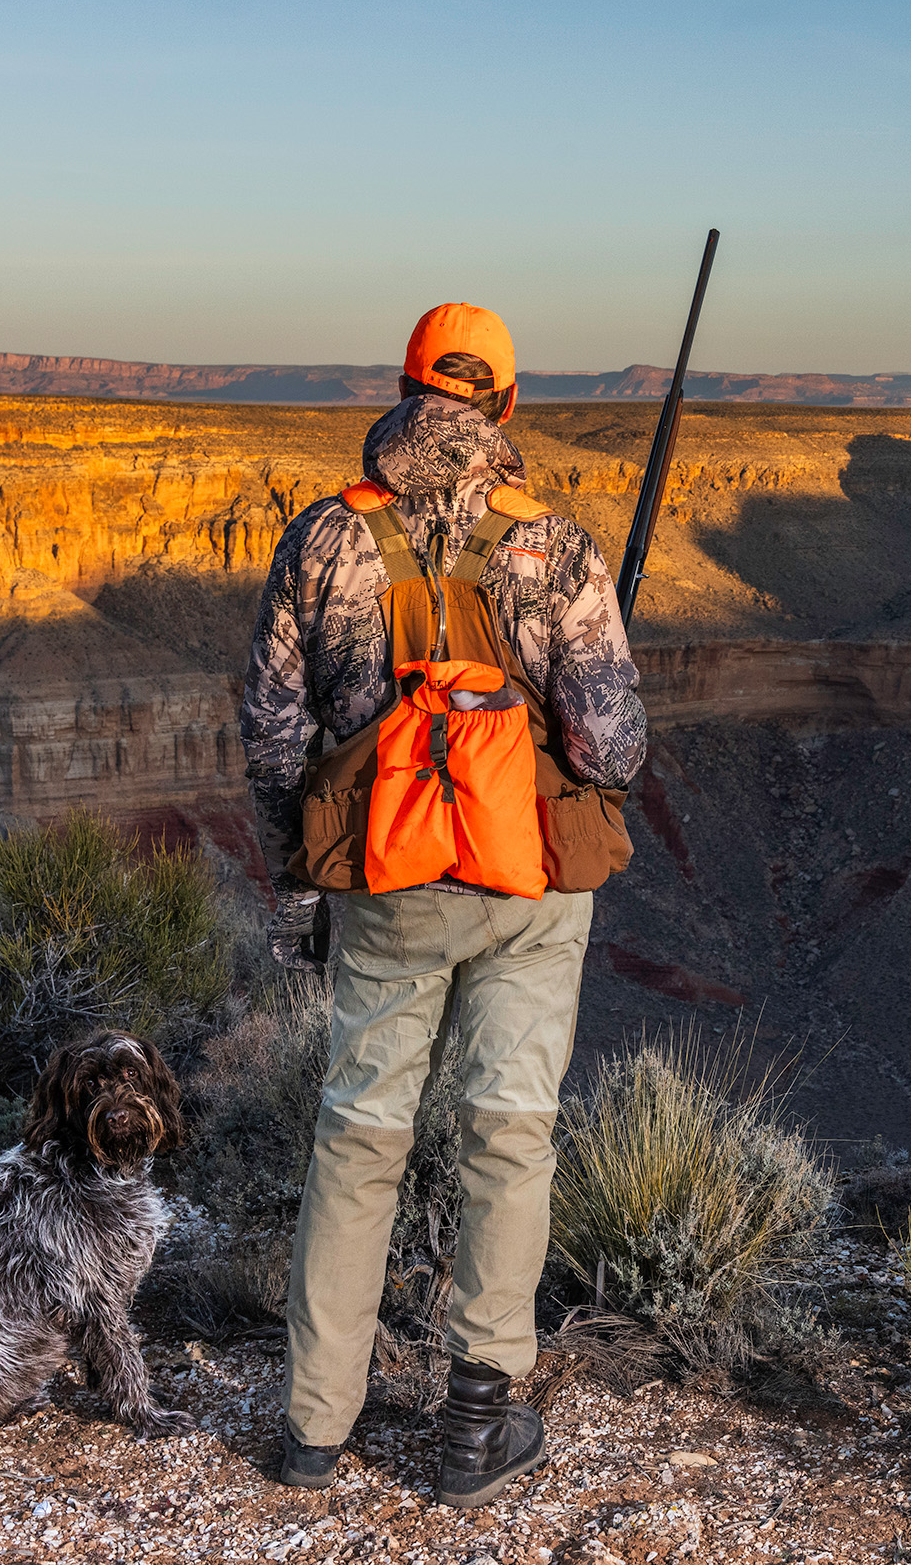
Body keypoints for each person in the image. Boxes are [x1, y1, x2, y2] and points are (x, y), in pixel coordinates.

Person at [238, 302, 646, 1506]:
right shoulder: (556, 547)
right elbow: (612, 748)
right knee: (508, 1132)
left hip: (387, 881)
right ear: (504, 405)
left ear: (406, 387)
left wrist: (303, 873)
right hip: (525, 886)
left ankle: (315, 1428)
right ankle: (475, 1421)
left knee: (360, 1135)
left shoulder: (325, 538)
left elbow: (271, 731)